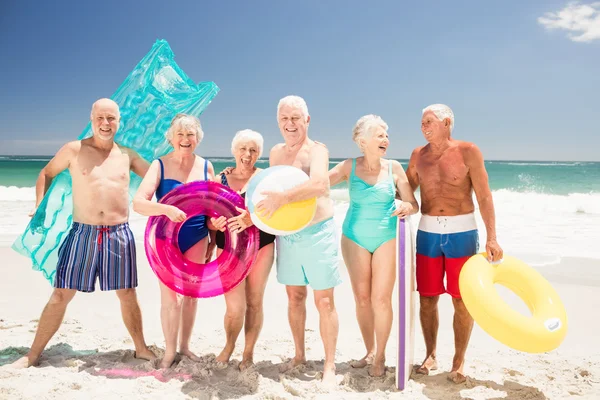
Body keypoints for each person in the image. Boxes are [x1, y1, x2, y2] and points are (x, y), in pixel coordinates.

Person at [11, 98, 155, 368]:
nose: (105, 123)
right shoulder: (74, 150)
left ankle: (141, 348)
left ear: (118, 122)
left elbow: (159, 177)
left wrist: (205, 181)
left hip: (118, 234)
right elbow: (46, 173)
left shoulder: (128, 155)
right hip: (82, 233)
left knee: (127, 294)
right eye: (100, 118)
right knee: (61, 294)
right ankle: (32, 354)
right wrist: (40, 206)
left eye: (111, 118)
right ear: (91, 119)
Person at [406, 104, 503, 383]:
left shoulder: (468, 151)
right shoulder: (417, 155)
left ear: (446, 122)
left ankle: (459, 361)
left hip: (462, 232)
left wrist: (492, 237)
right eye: (421, 122)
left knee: (462, 300)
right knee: (427, 298)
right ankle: (430, 354)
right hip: (427, 232)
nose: (423, 127)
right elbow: (405, 190)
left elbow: (484, 197)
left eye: (428, 122)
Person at [256, 95, 341, 386]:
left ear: (307, 119)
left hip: (318, 232)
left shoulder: (318, 150)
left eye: (295, 118)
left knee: (325, 300)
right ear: (278, 122)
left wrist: (283, 198)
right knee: (295, 297)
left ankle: (329, 364)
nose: (290, 124)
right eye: (284, 119)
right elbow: (265, 187)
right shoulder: (276, 153)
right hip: (288, 235)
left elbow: (320, 184)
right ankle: (299, 354)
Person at [328, 114, 419, 377]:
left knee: (381, 299)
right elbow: (317, 184)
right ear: (363, 140)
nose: (386, 140)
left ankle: (380, 355)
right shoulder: (348, 167)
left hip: (386, 237)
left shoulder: (394, 168)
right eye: (380, 135)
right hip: (354, 237)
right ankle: (369, 351)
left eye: (386, 136)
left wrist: (406, 206)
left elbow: (413, 204)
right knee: (363, 298)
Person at [133, 113, 218, 368]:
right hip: (165, 240)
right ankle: (170, 352)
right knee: (171, 298)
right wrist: (166, 209)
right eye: (180, 134)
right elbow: (138, 203)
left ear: (197, 138)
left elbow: (213, 208)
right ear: (171, 137)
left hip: (197, 237)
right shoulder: (159, 165)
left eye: (190, 134)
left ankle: (185, 346)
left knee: (191, 295)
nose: (185, 139)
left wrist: (213, 239)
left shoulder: (206, 166)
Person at [209, 129, 276, 371]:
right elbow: (208, 217)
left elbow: (277, 214)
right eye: (243, 149)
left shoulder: (266, 178)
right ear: (234, 151)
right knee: (235, 307)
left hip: (262, 245)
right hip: (227, 248)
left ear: (259, 153)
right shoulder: (220, 180)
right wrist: (213, 224)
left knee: (255, 302)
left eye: (253, 150)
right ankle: (228, 346)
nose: (247, 155)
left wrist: (253, 219)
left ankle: (248, 353)